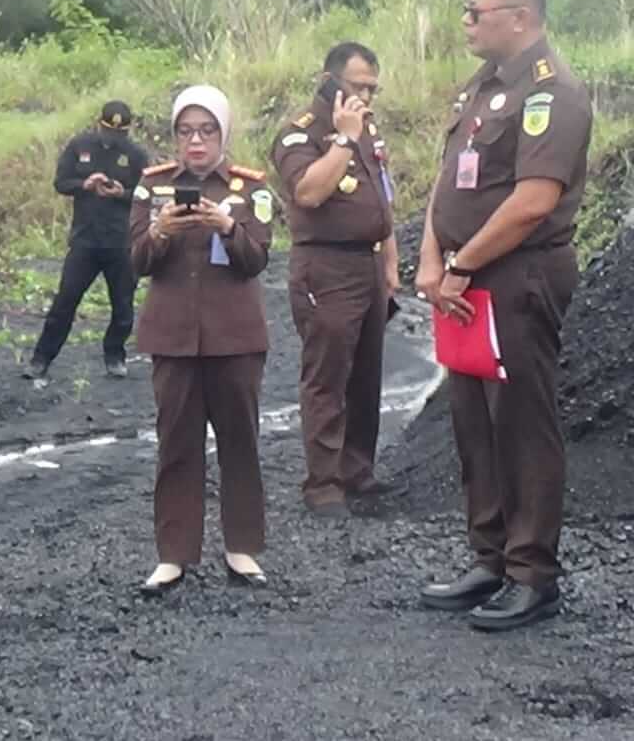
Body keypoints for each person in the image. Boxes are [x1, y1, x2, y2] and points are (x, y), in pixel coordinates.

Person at [415, 0, 591, 632]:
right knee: (474, 422)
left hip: (517, 277)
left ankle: (531, 572)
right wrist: (433, 257)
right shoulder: (481, 88)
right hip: (465, 278)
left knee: (520, 422)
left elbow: (531, 203)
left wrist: (461, 261)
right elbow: (448, 182)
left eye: (474, 11)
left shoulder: (553, 93)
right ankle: (489, 555)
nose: (465, 21)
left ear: (519, 16)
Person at [129, 86, 274, 595]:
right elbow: (137, 261)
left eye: (207, 130)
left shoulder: (250, 189)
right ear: (174, 136)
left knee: (241, 442)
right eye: (186, 131)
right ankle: (173, 555)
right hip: (172, 337)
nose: (196, 141)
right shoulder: (151, 189)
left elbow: (257, 258)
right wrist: (161, 232)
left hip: (235, 336)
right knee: (176, 445)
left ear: (223, 134)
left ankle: (242, 549)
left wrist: (228, 226)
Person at [270, 44, 400, 519]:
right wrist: (343, 141)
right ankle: (323, 483)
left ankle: (357, 470)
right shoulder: (299, 135)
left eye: (372, 89)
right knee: (327, 376)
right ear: (329, 80)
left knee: (367, 374)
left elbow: (380, 201)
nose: (366, 96)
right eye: (358, 85)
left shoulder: (367, 131)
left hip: (367, 265)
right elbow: (308, 191)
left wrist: (389, 264)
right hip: (325, 269)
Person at [25, 101, 148, 380]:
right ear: (99, 124)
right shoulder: (79, 145)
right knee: (65, 302)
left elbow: (146, 196)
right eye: (108, 131)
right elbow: (60, 183)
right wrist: (85, 185)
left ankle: (115, 355)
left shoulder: (136, 155)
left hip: (121, 241)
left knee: (123, 305)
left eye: (119, 133)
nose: (112, 138)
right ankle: (41, 358)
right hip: (85, 240)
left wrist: (121, 193)